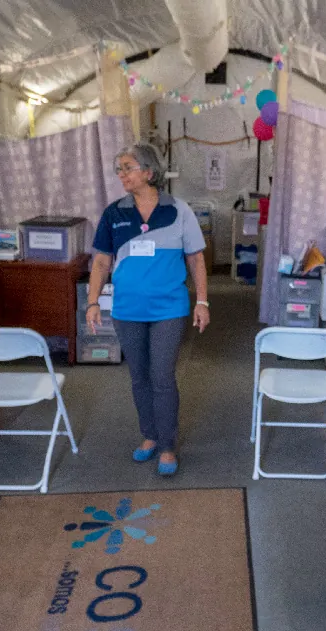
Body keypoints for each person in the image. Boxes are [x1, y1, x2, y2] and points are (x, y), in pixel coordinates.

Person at [84, 144, 209, 477]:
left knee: (162, 376)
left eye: (127, 167)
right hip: (127, 309)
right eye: (118, 169)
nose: (121, 174)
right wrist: (93, 301)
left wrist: (202, 301)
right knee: (139, 377)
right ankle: (150, 435)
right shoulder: (114, 213)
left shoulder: (179, 210)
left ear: (149, 172)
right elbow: (100, 261)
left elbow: (196, 258)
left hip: (169, 306)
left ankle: (168, 444)